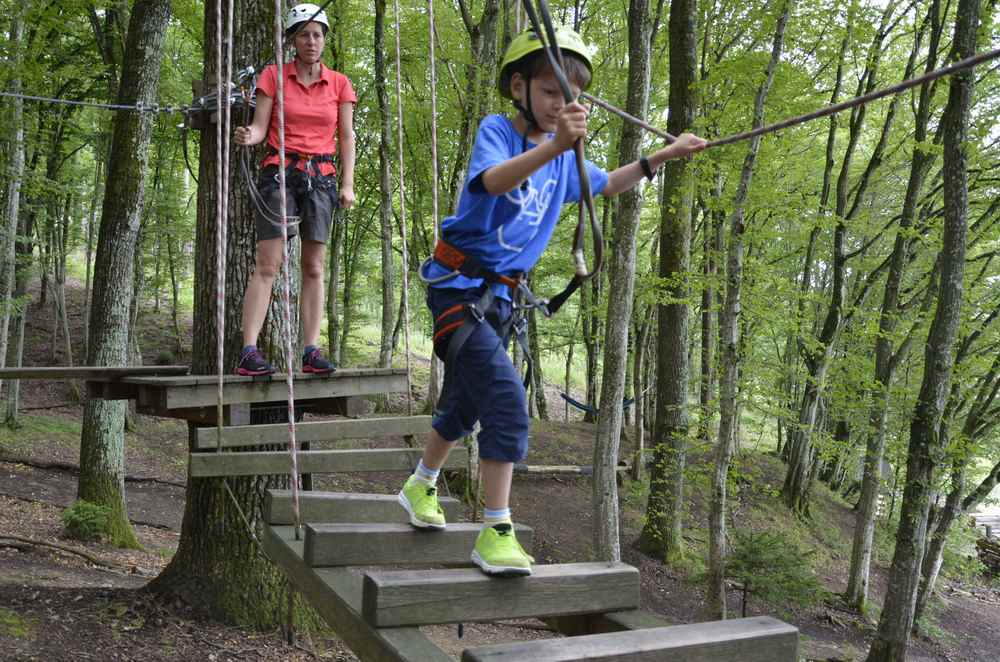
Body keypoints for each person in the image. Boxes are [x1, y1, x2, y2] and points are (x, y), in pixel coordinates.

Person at [397, 27, 707, 576]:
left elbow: (608, 183)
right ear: (518, 87)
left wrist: (667, 154)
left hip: (499, 301)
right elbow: (490, 182)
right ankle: (496, 527)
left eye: (572, 97)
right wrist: (555, 146)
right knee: (509, 402)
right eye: (549, 92)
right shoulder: (499, 132)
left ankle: (419, 485)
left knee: (468, 402)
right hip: (455, 288)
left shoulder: (568, 162)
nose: (563, 106)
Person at [233, 3, 356, 376]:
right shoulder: (274, 77)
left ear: (324, 40)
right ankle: (249, 350)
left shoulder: (339, 84)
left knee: (314, 267)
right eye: (304, 34)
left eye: (317, 34)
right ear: (292, 40)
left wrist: (347, 184)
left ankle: (311, 350)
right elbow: (259, 126)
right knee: (268, 263)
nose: (311, 41)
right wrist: (248, 136)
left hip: (321, 177)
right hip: (280, 173)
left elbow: (347, 136)